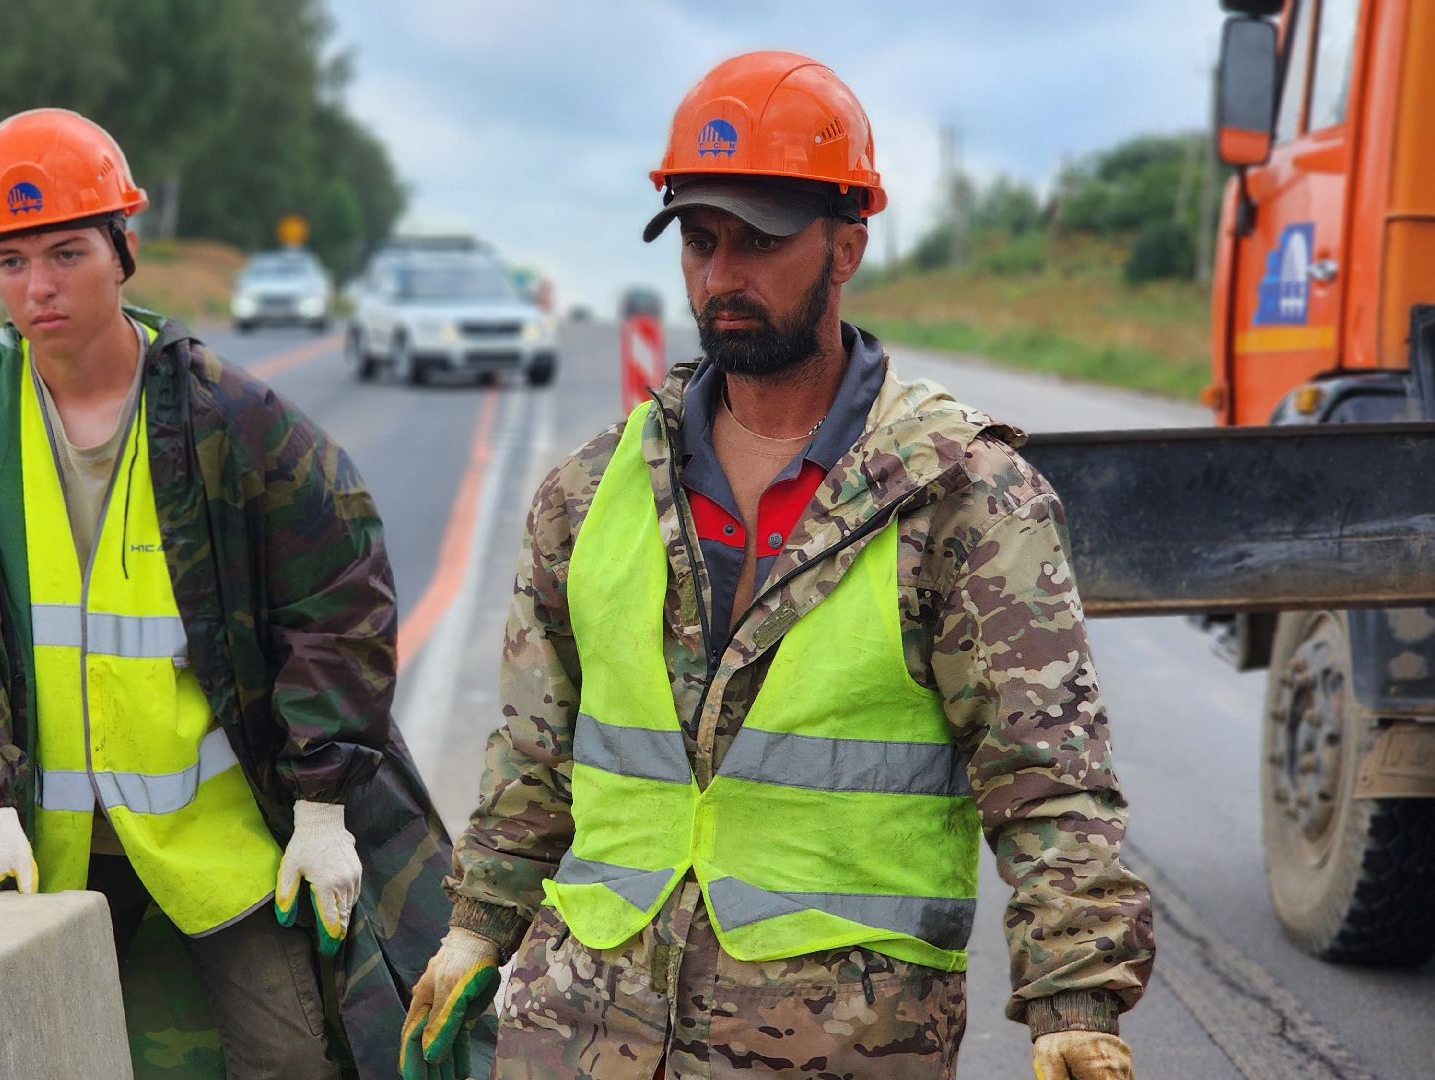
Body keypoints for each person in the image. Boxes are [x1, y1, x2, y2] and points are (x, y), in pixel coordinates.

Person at [403, 53, 1152, 1080]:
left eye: (758, 243)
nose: (720, 277)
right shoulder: (590, 493)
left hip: (836, 1045)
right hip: (585, 1032)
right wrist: (477, 929)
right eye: (701, 243)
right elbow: (537, 752)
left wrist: (1074, 1002)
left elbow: (1048, 781)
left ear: (845, 246)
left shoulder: (958, 494)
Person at [0, 107, 474, 1078]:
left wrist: (321, 805)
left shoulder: (224, 417)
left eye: (66, 253)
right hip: (52, 840)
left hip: (218, 842)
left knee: (287, 1058)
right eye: (11, 261)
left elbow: (339, 592)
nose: (37, 287)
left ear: (123, 250)